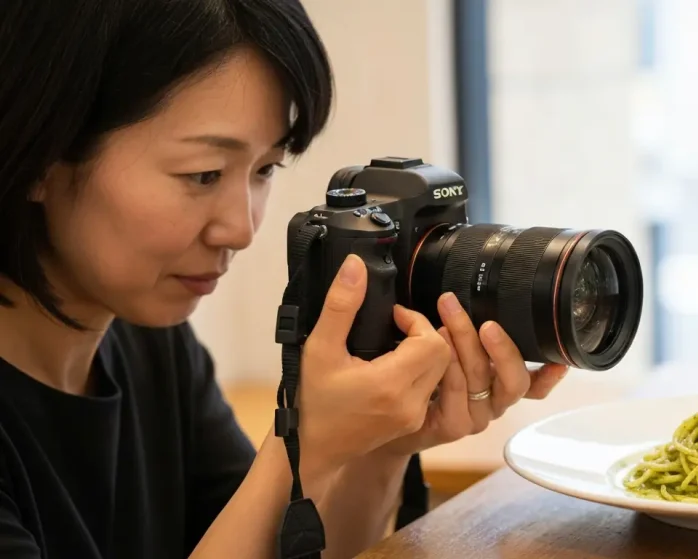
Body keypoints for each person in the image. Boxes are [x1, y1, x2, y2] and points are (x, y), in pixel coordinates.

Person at [0, 1, 570, 557]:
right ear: (40, 158)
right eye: (203, 174)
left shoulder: (154, 346)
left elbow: (281, 546)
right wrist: (303, 445)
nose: (242, 228)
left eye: (265, 169)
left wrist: (381, 445)